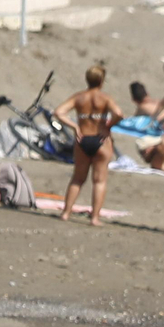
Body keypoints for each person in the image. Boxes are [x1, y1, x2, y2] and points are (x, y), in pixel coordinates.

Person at [52, 64, 123, 226]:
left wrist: (75, 126)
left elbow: (58, 112)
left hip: (83, 138)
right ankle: (95, 218)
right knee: (99, 181)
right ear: (102, 81)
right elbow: (119, 113)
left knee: (77, 179)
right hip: (100, 140)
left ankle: (66, 213)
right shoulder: (105, 98)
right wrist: (108, 126)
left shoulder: (79, 97)